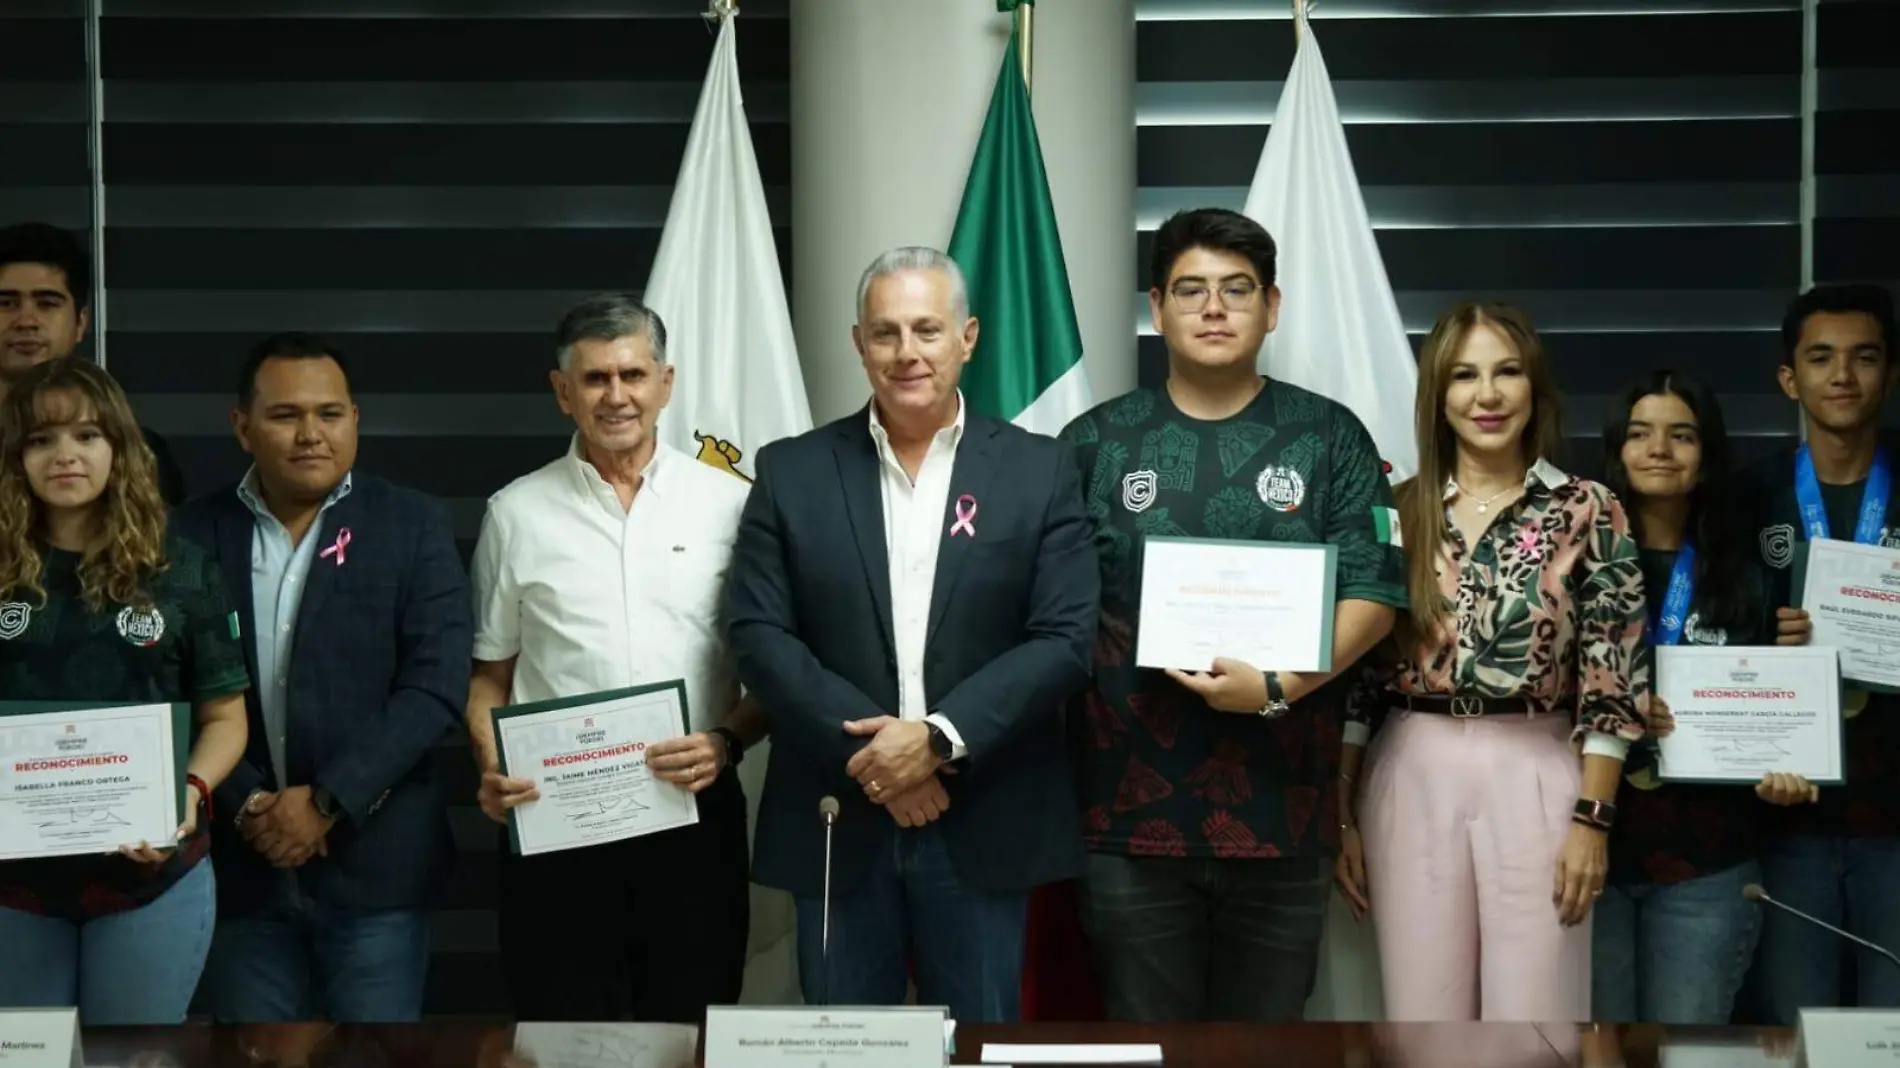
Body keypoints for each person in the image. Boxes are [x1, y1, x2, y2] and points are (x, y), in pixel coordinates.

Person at [724, 247, 1097, 1024]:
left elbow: (1064, 639)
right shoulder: (791, 470)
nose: (907, 352)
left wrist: (935, 739)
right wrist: (881, 762)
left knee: (975, 1044)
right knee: (839, 1049)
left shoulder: (1042, 470)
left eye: (927, 329)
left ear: (968, 336)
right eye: (885, 332)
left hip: (985, 815)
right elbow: (757, 632)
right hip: (836, 812)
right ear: (858, 344)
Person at [1055, 208, 1405, 1023]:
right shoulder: (1094, 444)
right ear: (1157, 309)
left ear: (1271, 307)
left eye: (1236, 290)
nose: (1213, 308)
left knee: (1266, 1053)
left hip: (1283, 816)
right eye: (1191, 290)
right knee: (1149, 1050)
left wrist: (1278, 685)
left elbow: (1375, 596)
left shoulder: (1330, 438)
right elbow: (1048, 614)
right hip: (1127, 819)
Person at [1337, 301, 1648, 1022]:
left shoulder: (1588, 508)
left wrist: (1593, 821)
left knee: (1534, 1021)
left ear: (1534, 386)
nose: (1487, 395)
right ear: (1438, 397)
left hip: (1536, 768)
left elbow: (1614, 674)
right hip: (1410, 769)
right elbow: (1360, 684)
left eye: (1507, 372)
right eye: (1464, 376)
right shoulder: (1397, 511)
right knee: (1422, 1020)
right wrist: (1343, 816)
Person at [467, 293, 768, 1023]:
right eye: (595, 378)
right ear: (562, 391)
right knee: (564, 1035)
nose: (617, 396)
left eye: (633, 375)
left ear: (665, 384)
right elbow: (488, 679)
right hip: (558, 831)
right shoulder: (515, 513)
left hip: (694, 820)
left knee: (691, 1028)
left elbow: (773, 673)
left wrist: (727, 741)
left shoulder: (731, 505)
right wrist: (490, 768)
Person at [170, 332, 473, 1022]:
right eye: (285, 416)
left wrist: (327, 801)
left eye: (330, 414)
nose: (311, 434)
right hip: (239, 865)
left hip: (377, 866)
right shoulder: (186, 534)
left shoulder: (412, 525)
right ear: (242, 427)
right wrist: (250, 804)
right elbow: (172, 687)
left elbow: (434, 687)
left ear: (355, 420)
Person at [0, 357, 250, 1023]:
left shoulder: (181, 567)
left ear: (119, 447)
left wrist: (186, 796)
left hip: (151, 879)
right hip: (13, 885)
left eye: (87, 435)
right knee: (28, 1063)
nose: (65, 456)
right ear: (16, 457)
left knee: (130, 1059)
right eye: (41, 439)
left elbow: (226, 716)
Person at [1591, 370, 1820, 1024]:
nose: (1659, 449)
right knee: (1595, 1047)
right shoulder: (1578, 562)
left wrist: (1784, 764)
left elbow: (1778, 707)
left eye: (1680, 435)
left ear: (1708, 452)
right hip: (1591, 853)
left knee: (1686, 1050)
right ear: (1616, 449)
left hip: (1708, 865)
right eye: (1640, 434)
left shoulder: (1752, 570)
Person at [1738, 283, 1900, 1020]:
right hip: (1788, 814)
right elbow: (1713, 645)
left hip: (1896, 816)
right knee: (1793, 1034)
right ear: (1788, 378)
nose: (1843, 375)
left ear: (1890, 374)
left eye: (1864, 357)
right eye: (1822, 357)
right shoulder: (1746, 500)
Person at [0, 222, 187, 505]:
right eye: (6, 304)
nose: (27, 321)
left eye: (47, 303)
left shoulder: (138, 450)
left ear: (81, 322)